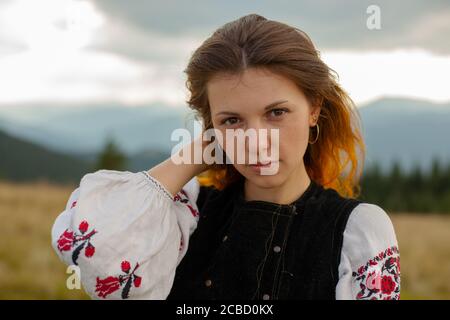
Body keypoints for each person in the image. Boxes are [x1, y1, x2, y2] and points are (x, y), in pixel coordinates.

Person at [51, 14, 400, 300]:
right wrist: (188, 160)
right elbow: (93, 253)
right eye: (232, 120)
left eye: (276, 113)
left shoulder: (358, 230)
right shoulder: (184, 213)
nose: (256, 141)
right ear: (211, 128)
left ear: (314, 110)